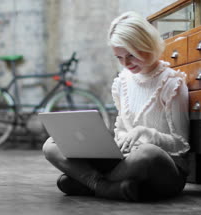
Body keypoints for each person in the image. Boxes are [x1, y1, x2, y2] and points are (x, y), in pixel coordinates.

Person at [42, 11, 190, 201]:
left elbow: (182, 145)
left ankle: (88, 183)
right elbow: (120, 129)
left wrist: (143, 133)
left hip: (163, 169)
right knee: (51, 144)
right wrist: (115, 142)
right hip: (126, 161)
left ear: (147, 44)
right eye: (119, 57)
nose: (126, 63)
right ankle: (107, 186)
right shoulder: (122, 83)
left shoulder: (172, 83)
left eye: (131, 55)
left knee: (148, 152)